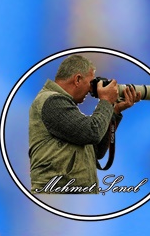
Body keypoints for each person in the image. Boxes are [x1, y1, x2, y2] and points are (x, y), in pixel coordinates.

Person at [27, 53, 139, 194]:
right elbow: (93, 132)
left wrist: (114, 111)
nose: (92, 90)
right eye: (91, 83)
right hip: (57, 194)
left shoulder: (67, 108)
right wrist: (106, 101)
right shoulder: (51, 101)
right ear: (78, 79)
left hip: (70, 192)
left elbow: (96, 151)